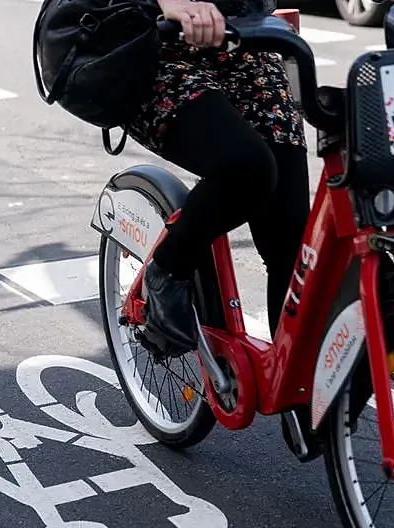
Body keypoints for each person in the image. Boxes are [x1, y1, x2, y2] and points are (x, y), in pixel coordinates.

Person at [127, 0, 310, 354]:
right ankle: (168, 269)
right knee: (248, 167)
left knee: (292, 248)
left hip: (244, 43)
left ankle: (301, 397)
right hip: (155, 49)